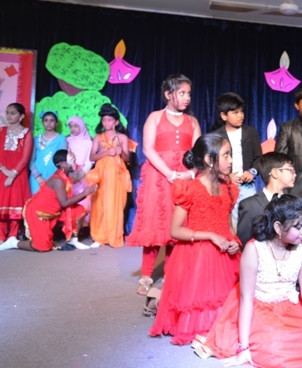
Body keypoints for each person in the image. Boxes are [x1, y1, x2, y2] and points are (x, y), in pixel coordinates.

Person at [204, 195, 302, 367]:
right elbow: (246, 299)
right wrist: (243, 347)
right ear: (278, 227)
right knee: (273, 344)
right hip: (258, 307)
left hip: (288, 307)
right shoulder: (254, 249)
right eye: (298, 227)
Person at [149, 133, 240, 345]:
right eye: (226, 155)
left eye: (230, 155)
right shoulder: (189, 188)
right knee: (203, 309)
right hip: (198, 253)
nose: (231, 161)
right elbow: (175, 231)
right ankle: (157, 299)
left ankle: (156, 297)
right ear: (209, 159)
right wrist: (209, 235)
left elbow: (228, 226)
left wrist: (234, 240)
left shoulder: (229, 189)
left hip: (224, 254)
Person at [126, 74, 201, 296]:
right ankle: (146, 276)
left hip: (185, 179)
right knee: (155, 226)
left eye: (188, 94)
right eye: (181, 93)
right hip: (158, 177)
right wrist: (169, 174)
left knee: (177, 227)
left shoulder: (193, 122)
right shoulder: (155, 117)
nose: (186, 98)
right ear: (168, 94)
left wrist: (190, 173)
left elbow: (199, 153)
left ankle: (171, 276)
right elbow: (148, 149)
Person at [0, 150, 97, 252]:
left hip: (55, 211)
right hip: (37, 213)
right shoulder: (58, 180)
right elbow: (64, 203)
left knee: (79, 210)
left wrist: (88, 190)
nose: (75, 162)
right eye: (72, 160)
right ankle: (13, 243)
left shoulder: (66, 178)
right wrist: (84, 193)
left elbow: (68, 200)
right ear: (62, 164)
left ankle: (73, 240)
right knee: (42, 247)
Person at [0, 103, 32, 245]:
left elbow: (25, 157)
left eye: (13, 113)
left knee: (15, 205)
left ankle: (12, 236)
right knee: (0, 206)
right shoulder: (1, 131)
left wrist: (13, 174)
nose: (9, 116)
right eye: (7, 112)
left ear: (21, 116)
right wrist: (5, 171)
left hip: (18, 173)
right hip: (1, 172)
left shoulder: (26, 133)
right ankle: (1, 236)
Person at [212, 92, 262, 229]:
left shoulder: (250, 132)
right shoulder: (216, 136)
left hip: (247, 185)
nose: (240, 115)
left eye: (241, 111)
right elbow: (212, 164)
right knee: (229, 222)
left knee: (252, 219)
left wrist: (252, 171)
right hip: (225, 185)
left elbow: (259, 157)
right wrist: (226, 176)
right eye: (235, 112)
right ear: (224, 116)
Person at [89, 103, 131, 248]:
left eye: (110, 120)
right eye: (104, 120)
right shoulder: (98, 137)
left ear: (116, 122)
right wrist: (106, 152)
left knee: (116, 204)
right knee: (100, 203)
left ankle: (114, 235)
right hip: (102, 174)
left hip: (117, 175)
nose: (107, 123)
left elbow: (127, 159)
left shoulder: (122, 137)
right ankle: (99, 236)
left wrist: (121, 152)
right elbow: (92, 157)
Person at [235, 152, 296, 248]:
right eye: (290, 169)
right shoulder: (249, 205)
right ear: (275, 173)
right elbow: (244, 242)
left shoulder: (293, 203)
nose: (295, 174)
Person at [29, 111, 67, 194]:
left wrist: (56, 177)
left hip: (54, 176)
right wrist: (37, 177)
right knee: (35, 200)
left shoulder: (62, 139)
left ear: (56, 123)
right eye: (46, 120)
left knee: (50, 200)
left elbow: (63, 161)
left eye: (52, 120)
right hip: (36, 177)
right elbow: (31, 161)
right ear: (42, 123)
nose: (49, 123)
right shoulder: (36, 139)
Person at [66, 116, 94, 215]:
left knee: (82, 199)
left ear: (81, 126)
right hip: (68, 171)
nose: (73, 129)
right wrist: (70, 169)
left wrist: (81, 174)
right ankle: (68, 221)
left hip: (82, 174)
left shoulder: (88, 142)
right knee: (68, 197)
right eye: (71, 126)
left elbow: (90, 161)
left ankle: (80, 222)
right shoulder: (67, 140)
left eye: (76, 126)